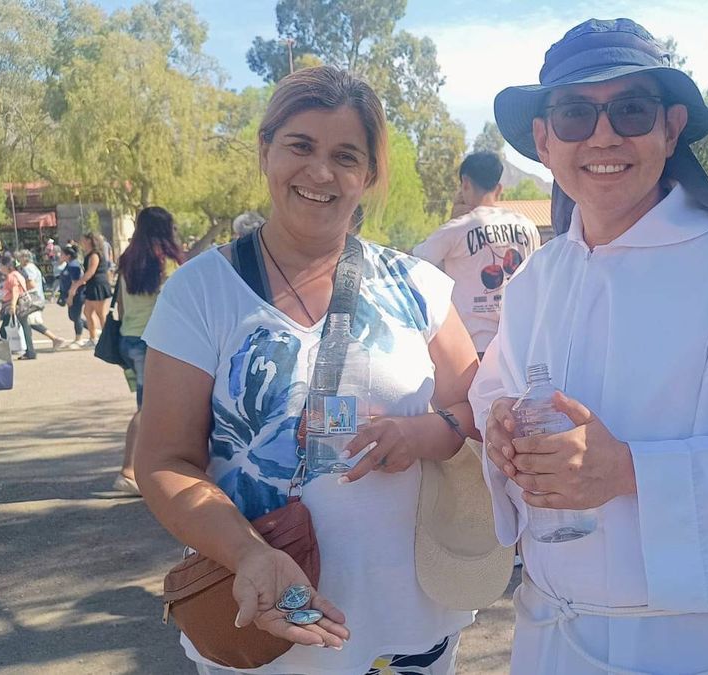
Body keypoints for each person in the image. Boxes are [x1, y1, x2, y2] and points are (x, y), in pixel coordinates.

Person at [469, 19, 708, 673]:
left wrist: (628, 469)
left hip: (684, 647)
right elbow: (494, 393)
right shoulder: (538, 278)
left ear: (670, 127)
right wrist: (501, 430)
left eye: (631, 110)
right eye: (573, 114)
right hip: (548, 639)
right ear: (543, 138)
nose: (602, 135)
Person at [136, 65, 485, 674]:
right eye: (301, 146)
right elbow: (164, 460)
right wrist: (247, 554)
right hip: (267, 619)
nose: (321, 172)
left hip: (410, 626)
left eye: (346, 156)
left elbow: (481, 405)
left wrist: (424, 433)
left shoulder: (417, 287)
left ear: (369, 175)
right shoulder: (201, 293)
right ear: (266, 150)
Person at [413, 151, 540, 358]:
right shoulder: (528, 227)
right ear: (499, 188)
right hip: (521, 344)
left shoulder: (454, 230)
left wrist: (450, 219)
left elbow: (414, 264)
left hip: (472, 346)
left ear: (465, 184)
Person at [111, 206, 184, 496]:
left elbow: (120, 301)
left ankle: (142, 470)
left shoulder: (129, 258)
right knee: (149, 408)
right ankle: (129, 472)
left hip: (129, 336)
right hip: (155, 339)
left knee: (152, 405)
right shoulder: (166, 261)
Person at [15, 249, 65, 351]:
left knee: (29, 321)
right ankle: (29, 345)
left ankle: (52, 339)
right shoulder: (31, 267)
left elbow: (31, 284)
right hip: (36, 298)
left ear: (25, 258)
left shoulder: (28, 268)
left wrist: (19, 289)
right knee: (30, 322)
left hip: (33, 299)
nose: (18, 260)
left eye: (20, 258)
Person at [69, 232, 113, 346]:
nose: (81, 242)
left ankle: (107, 339)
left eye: (83, 239)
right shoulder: (88, 254)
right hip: (91, 285)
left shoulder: (95, 254)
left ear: (89, 240)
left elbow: (90, 272)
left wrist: (77, 284)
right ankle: (93, 339)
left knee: (100, 313)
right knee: (87, 312)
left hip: (98, 285)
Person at [0, 255, 37, 361]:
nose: (0, 267)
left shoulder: (12, 276)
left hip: (15, 305)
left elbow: (15, 291)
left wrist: (12, 306)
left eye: (1, 265)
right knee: (24, 327)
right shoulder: (17, 274)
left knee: (4, 330)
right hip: (20, 304)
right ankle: (30, 351)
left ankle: (2, 354)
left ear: (7, 266)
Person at [57, 245, 87, 348]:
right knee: (72, 316)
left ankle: (78, 339)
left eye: (62, 254)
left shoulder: (73, 266)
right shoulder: (68, 265)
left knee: (76, 316)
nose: (60, 256)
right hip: (69, 294)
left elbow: (75, 283)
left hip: (76, 294)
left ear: (68, 256)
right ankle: (91, 327)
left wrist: (70, 297)